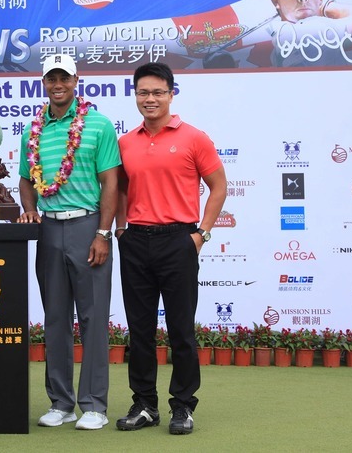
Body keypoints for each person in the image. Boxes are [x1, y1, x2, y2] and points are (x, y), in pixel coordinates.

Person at [114, 62, 226, 435]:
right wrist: (120, 229)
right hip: (135, 242)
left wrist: (201, 234)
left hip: (179, 241)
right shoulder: (126, 142)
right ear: (135, 95)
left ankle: (183, 406)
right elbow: (121, 189)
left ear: (171, 94)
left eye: (158, 92)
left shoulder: (194, 138)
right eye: (143, 92)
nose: (150, 99)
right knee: (139, 331)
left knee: (180, 330)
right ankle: (145, 404)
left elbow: (219, 187)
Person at [17, 54, 121, 431]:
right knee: (56, 318)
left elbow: (111, 182)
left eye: (64, 78)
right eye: (51, 78)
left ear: (77, 81)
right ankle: (61, 402)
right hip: (49, 229)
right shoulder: (33, 131)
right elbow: (26, 179)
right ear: (44, 82)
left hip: (88, 225)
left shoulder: (98, 124)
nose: (58, 84)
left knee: (93, 318)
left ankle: (94, 404)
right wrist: (30, 210)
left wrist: (103, 233)